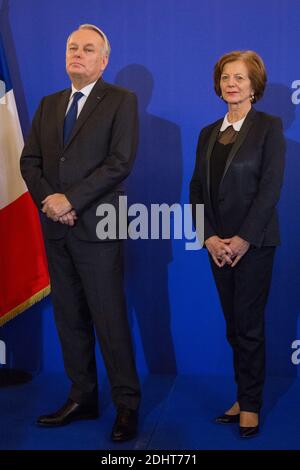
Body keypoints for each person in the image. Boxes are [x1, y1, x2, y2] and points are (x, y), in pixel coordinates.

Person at [20, 24, 141, 442]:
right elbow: (29, 162)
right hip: (57, 230)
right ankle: (82, 396)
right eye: (72, 47)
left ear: (103, 61)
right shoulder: (50, 103)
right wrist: (51, 201)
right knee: (69, 318)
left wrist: (69, 199)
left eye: (88, 49)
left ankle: (127, 405)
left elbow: (119, 162)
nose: (78, 54)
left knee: (109, 320)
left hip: (98, 229)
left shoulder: (121, 101)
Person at [190, 50, 285, 438]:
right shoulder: (207, 133)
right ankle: (242, 396)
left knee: (248, 326)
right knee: (233, 327)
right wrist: (209, 237)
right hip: (218, 247)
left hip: (254, 244)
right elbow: (196, 190)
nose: (232, 83)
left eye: (240, 78)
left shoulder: (268, 127)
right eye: (226, 77)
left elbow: (270, 189)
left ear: (254, 86)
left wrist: (243, 239)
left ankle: (251, 405)